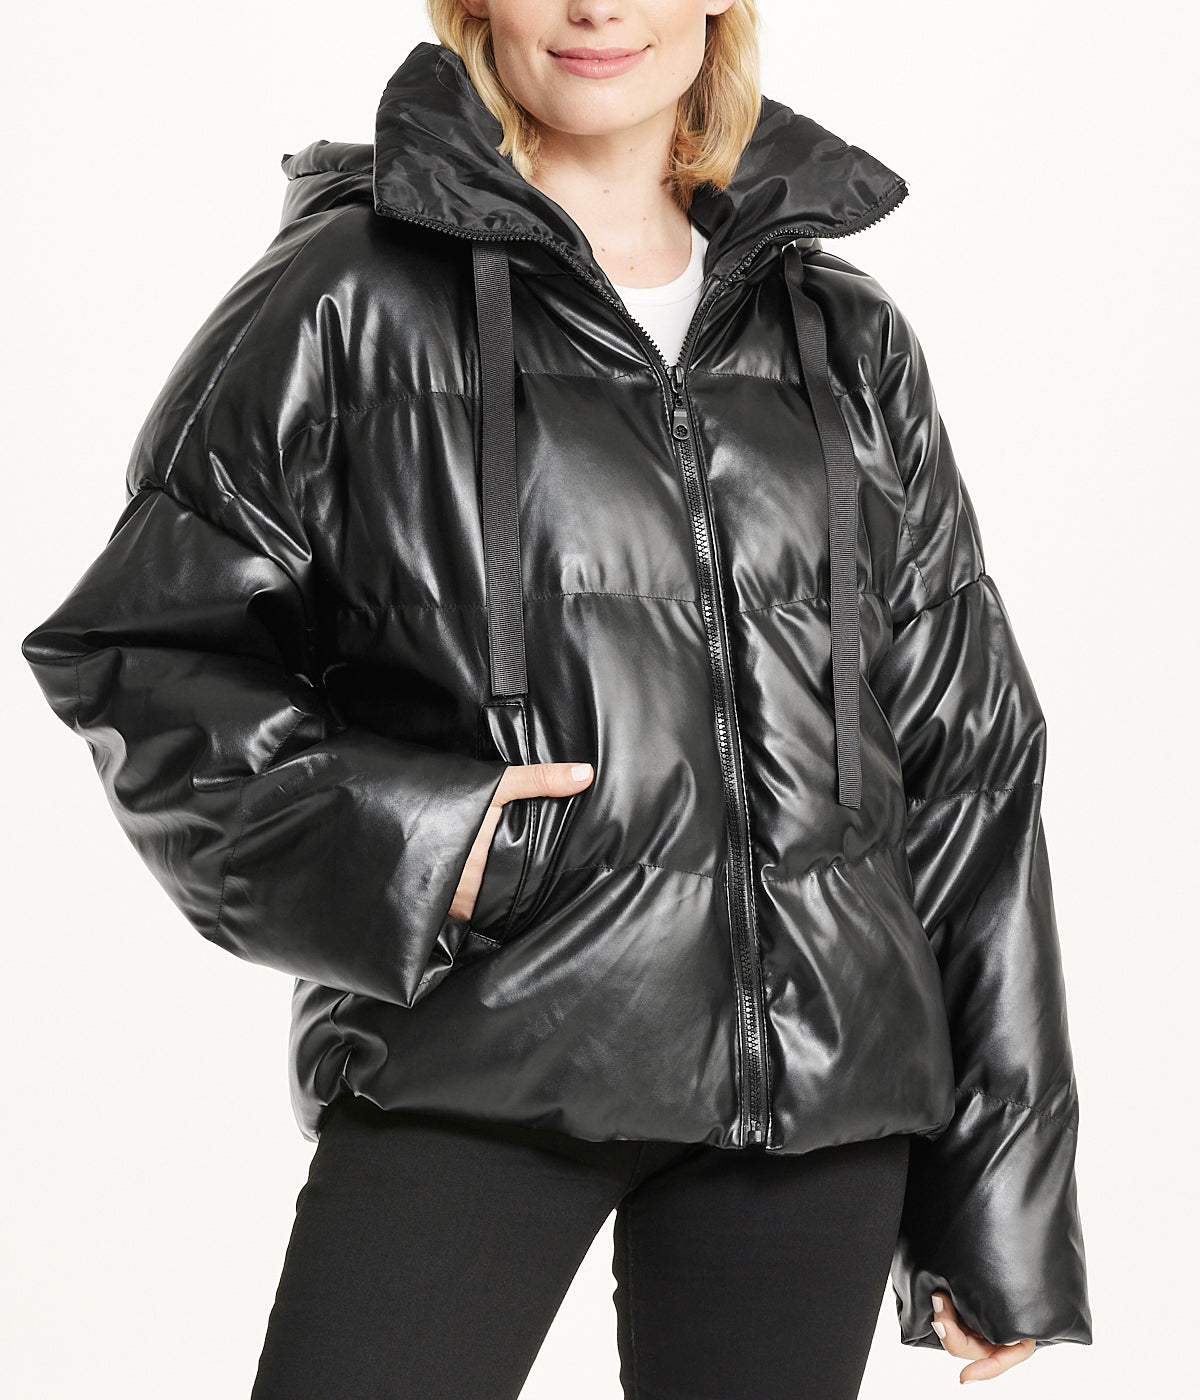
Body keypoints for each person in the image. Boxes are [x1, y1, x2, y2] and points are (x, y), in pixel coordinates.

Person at [19, 1, 1093, 1396]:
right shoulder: (349, 294)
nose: (595, 7)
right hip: (484, 1040)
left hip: (817, 1088)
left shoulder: (844, 335)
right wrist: (422, 844)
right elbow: (140, 650)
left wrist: (999, 1194)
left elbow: (970, 758)